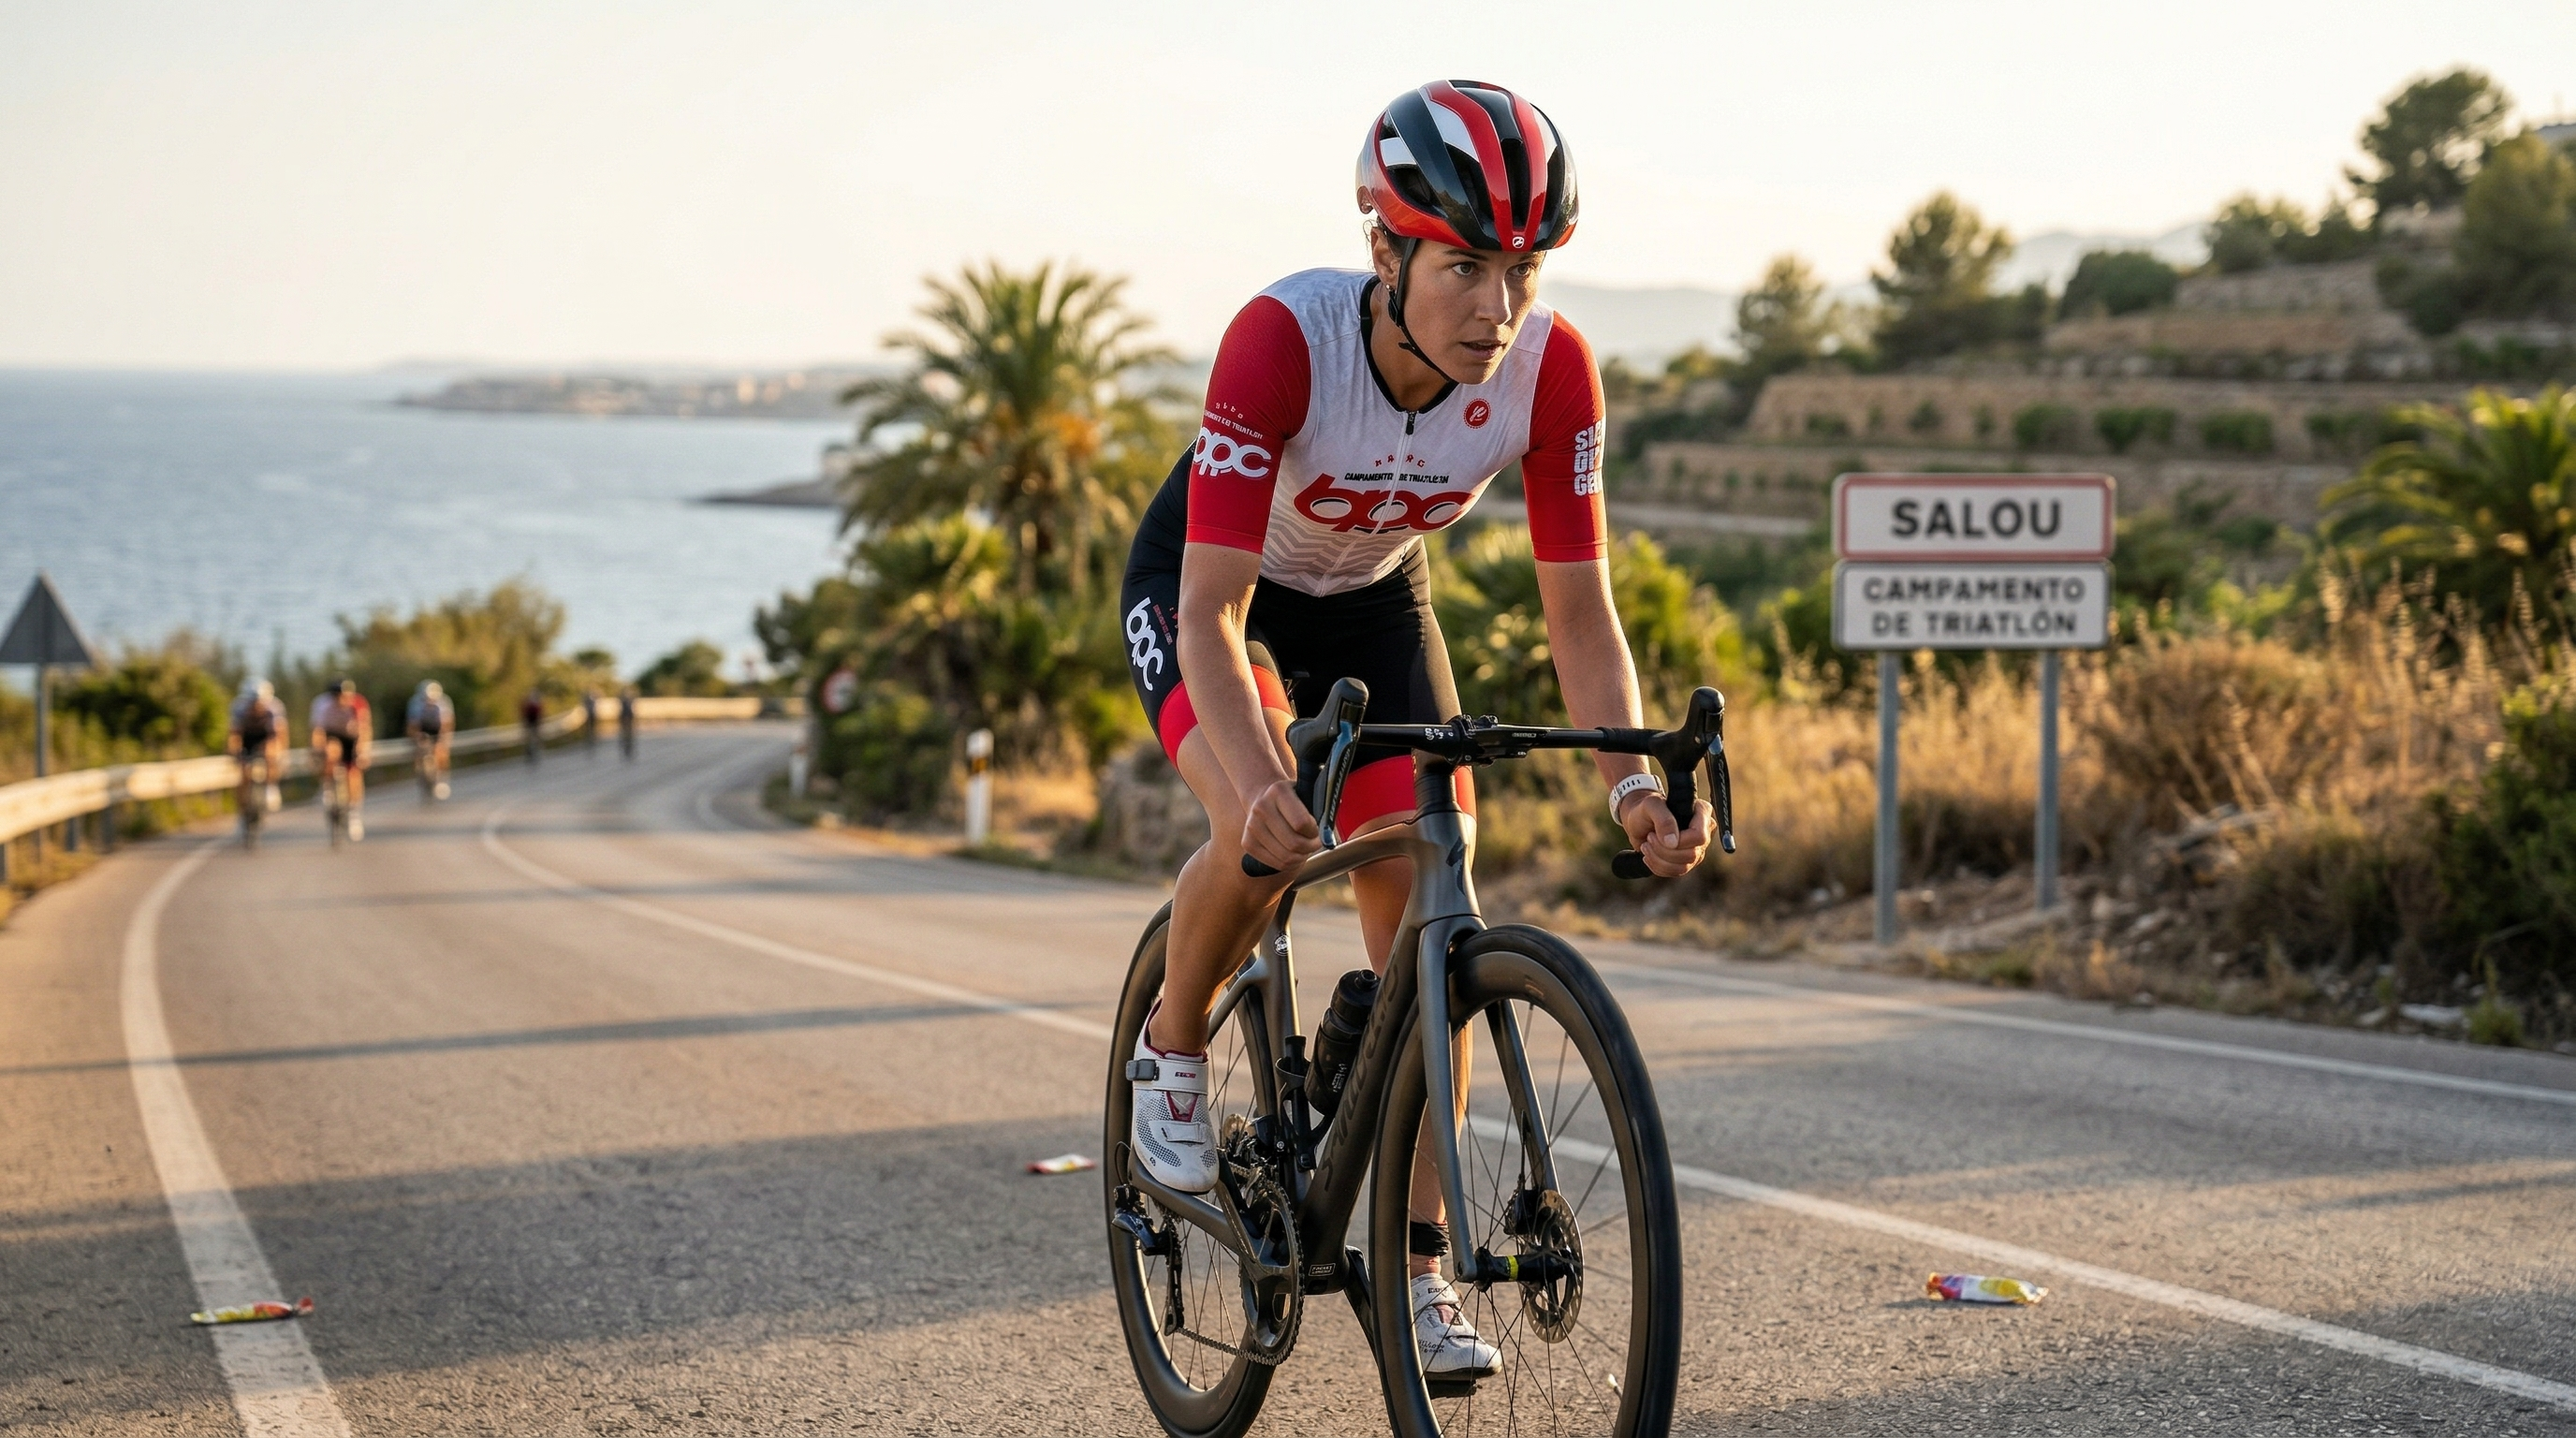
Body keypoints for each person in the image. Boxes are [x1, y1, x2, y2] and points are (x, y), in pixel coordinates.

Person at [1117, 81, 1714, 1378]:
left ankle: (1420, 1273)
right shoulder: (1285, 339)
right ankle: (1169, 1053)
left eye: (1519, 270)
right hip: (1215, 589)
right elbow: (1213, 613)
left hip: (1377, 604)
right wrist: (1267, 783)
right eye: (1461, 268)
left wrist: (1630, 788)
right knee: (1259, 829)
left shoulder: (1553, 376)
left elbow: (1581, 616)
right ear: (1384, 250)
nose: (1495, 308)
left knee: (1430, 917)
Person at [312, 679, 372, 840]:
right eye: (339, 696)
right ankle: (327, 786)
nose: (343, 699)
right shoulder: (322, 705)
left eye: (346, 695)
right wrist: (318, 749)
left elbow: (364, 729)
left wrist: (363, 751)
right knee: (330, 751)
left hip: (352, 738)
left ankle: (353, 813)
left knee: (354, 773)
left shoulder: (358, 703)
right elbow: (318, 731)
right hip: (332, 736)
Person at [227, 677, 287, 821]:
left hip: (266, 737)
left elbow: (280, 735)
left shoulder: (275, 708)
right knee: (243, 774)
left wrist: (280, 753)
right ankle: (242, 813)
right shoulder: (238, 708)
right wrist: (234, 750)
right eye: (252, 702)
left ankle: (271, 787)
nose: (256, 705)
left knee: (270, 752)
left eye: (260, 702)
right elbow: (234, 734)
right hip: (247, 737)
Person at [405, 680, 455, 800]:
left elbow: (447, 723)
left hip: (438, 729)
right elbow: (412, 724)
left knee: (441, 751)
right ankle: (421, 777)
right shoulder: (415, 703)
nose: (430, 701)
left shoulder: (444, 702)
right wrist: (416, 737)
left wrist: (444, 738)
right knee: (418, 753)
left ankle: (442, 778)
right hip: (422, 729)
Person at [520, 687, 544, 765]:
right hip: (532, 723)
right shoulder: (534, 704)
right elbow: (539, 714)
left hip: (532, 723)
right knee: (532, 739)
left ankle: (531, 753)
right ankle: (531, 753)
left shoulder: (531, 704)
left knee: (532, 739)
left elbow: (539, 714)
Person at [617, 685, 637, 761]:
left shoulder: (630, 700)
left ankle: (629, 750)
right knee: (625, 736)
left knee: (629, 736)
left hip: (629, 718)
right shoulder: (623, 700)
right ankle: (626, 749)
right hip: (625, 718)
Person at [581, 686, 601, 757]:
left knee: (593, 728)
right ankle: (590, 739)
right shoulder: (587, 699)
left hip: (593, 715)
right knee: (589, 729)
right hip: (589, 715)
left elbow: (599, 696)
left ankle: (593, 739)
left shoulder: (593, 699)